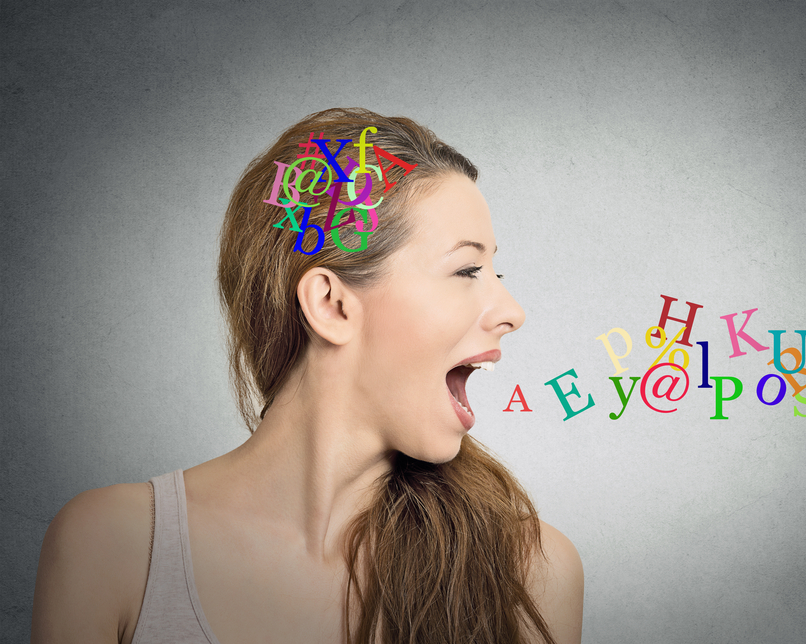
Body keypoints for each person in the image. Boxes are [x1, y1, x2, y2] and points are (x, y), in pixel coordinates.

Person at [31, 108, 584, 643]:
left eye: (495, 271)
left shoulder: (530, 575)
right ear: (331, 305)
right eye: (467, 269)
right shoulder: (113, 549)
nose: (513, 310)